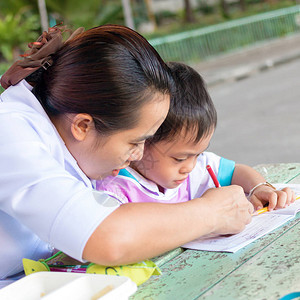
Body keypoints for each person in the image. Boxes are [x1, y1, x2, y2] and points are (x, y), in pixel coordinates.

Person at [0, 25, 253, 284]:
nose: (137, 155)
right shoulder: (10, 134)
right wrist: (212, 213)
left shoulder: (50, 135)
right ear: (82, 126)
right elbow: (107, 237)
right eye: (136, 141)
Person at [97, 62, 295, 211]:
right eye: (180, 158)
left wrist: (259, 188)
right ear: (142, 141)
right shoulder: (116, 191)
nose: (190, 167)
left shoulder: (195, 169)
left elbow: (236, 171)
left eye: (199, 154)